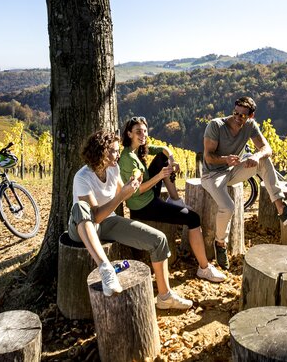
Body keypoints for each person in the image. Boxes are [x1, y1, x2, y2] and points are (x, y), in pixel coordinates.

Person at [68, 130, 193, 310]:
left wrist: (133, 185)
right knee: (80, 208)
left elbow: (124, 192)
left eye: (118, 150)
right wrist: (121, 196)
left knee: (159, 240)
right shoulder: (82, 177)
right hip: (82, 228)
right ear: (100, 150)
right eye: (113, 151)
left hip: (108, 222)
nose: (118, 155)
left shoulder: (113, 168)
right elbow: (95, 216)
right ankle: (106, 269)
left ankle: (165, 296)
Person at [118, 116, 226, 282]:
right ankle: (204, 268)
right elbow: (136, 191)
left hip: (149, 194)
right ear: (129, 133)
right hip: (143, 206)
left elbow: (162, 148)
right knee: (193, 218)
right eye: (138, 132)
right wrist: (160, 175)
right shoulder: (127, 159)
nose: (143, 135)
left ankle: (175, 200)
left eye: (145, 131)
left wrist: (172, 160)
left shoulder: (138, 148)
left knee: (162, 158)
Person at [201, 96, 287, 269]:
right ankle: (220, 244)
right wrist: (225, 159)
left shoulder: (251, 126)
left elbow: (267, 149)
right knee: (228, 207)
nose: (237, 117)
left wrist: (256, 156)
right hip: (212, 174)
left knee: (264, 161)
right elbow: (208, 157)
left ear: (250, 116)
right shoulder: (216, 125)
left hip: (233, 170)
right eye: (236, 113)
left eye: (242, 115)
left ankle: (281, 208)